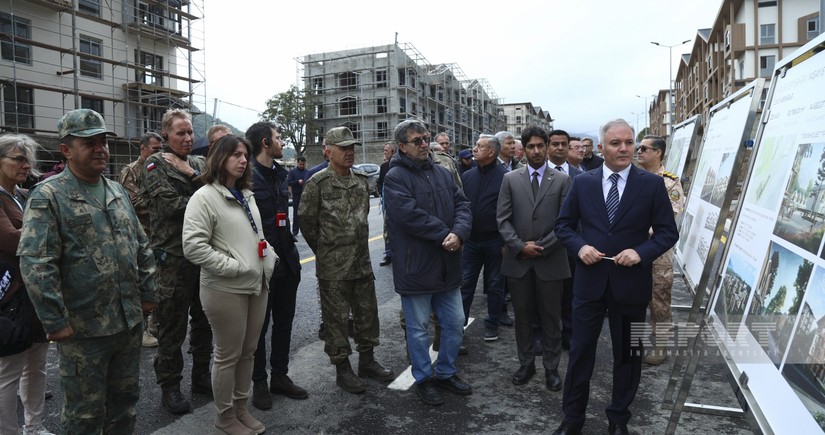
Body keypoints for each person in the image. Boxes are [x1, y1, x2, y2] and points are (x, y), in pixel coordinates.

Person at [18, 109, 157, 434]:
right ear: (66, 149)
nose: (100, 149)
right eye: (89, 142)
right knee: (84, 416)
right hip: (83, 330)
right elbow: (36, 262)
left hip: (127, 322)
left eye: (103, 142)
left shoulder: (117, 191)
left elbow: (141, 245)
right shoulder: (49, 196)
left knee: (124, 407)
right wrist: (55, 320)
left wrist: (149, 293)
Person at [552, 119, 678, 435]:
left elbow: (667, 232)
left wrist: (641, 252)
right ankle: (573, 419)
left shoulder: (651, 185)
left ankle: (618, 419)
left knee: (627, 356)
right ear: (601, 148)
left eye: (629, 142)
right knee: (581, 353)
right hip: (590, 283)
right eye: (615, 143)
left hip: (631, 285)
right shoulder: (583, 183)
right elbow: (564, 226)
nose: (624, 148)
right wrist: (580, 248)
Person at [182, 134, 276, 435]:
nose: (243, 159)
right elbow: (193, 246)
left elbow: (256, 235)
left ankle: (239, 409)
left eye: (245, 154)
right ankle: (223, 418)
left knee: (248, 352)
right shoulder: (204, 197)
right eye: (236, 154)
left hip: (256, 283)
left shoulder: (246, 194)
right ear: (219, 158)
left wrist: (268, 257)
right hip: (225, 288)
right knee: (227, 355)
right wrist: (234, 267)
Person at [383, 119, 472, 406]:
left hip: (447, 263)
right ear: (402, 147)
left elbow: (463, 205)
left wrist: (459, 232)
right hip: (416, 267)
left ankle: (446, 372)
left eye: (426, 138)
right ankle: (423, 377)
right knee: (419, 329)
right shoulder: (395, 177)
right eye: (417, 140)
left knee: (455, 323)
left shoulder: (442, 173)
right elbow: (408, 216)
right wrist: (446, 234)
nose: (424, 144)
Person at [298, 126, 393, 394]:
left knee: (367, 315)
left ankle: (367, 361)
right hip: (333, 268)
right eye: (343, 148)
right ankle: (343, 369)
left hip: (361, 263)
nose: (349, 152)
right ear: (328, 152)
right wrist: (328, 249)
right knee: (337, 321)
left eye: (352, 148)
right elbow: (306, 222)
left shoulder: (361, 180)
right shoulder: (317, 183)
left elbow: (362, 216)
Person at [143, 108, 213, 414]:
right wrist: (201, 194)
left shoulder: (197, 163)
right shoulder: (154, 163)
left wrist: (193, 177)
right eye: (180, 133)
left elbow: (217, 193)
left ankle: (201, 376)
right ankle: (170, 386)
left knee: (205, 320)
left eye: (190, 132)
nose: (187, 138)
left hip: (203, 255)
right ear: (166, 135)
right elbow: (173, 206)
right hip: (172, 258)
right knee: (172, 325)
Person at [497, 125, 571, 392]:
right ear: (523, 149)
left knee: (552, 319)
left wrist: (540, 247)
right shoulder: (510, 179)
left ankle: (552, 369)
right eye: (531, 146)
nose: (537, 151)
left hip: (550, 261)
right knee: (523, 317)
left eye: (542, 146)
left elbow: (566, 222)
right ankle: (526, 364)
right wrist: (519, 246)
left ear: (549, 146)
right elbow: (502, 219)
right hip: (518, 262)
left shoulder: (562, 180)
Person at [245, 122, 308, 410]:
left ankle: (279, 376)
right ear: (264, 143)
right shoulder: (245, 176)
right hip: (261, 263)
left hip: (287, 261)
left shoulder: (281, 174)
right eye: (278, 138)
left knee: (284, 323)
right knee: (259, 326)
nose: (282, 142)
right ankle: (259, 382)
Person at [0, 134, 54, 435]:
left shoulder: (21, 194)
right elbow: (9, 239)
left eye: (28, 159)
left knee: (37, 365)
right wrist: (42, 226)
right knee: (8, 371)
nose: (26, 164)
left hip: (35, 293)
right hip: (10, 296)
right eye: (18, 158)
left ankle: (34, 427)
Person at [635, 135, 685, 365]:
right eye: (639, 148)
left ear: (658, 153)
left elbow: (670, 216)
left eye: (644, 148)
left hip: (658, 251)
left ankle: (661, 345)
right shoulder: (632, 178)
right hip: (632, 248)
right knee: (633, 296)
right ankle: (634, 342)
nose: (639, 151)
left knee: (659, 299)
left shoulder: (670, 182)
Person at [460, 134, 507, 341]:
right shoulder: (468, 176)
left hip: (495, 241)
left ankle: (492, 323)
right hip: (470, 240)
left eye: (479, 146)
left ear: (491, 152)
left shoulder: (505, 177)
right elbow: (460, 206)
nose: (474, 149)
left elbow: (510, 212)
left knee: (496, 284)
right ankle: (458, 325)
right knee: (465, 284)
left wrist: (506, 241)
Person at [119, 131, 163, 348]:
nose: (159, 153)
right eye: (155, 149)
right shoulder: (132, 171)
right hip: (141, 235)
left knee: (161, 282)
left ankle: (156, 326)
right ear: (143, 148)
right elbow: (133, 201)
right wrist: (162, 202)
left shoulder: (161, 168)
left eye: (161, 149)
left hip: (161, 234)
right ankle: (143, 329)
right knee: (143, 281)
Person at [376, 142, 397, 267]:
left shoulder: (399, 166)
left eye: (386, 150)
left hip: (397, 203)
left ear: (393, 152)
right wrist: (380, 193)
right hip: (386, 202)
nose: (384, 152)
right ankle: (388, 254)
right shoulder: (384, 166)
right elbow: (379, 182)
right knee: (386, 229)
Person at [287, 156, 309, 236]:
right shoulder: (292, 172)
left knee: (305, 214)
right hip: (296, 195)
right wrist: (297, 182)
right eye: (300, 164)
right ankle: (295, 231)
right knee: (296, 213)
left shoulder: (307, 172)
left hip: (305, 195)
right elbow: (289, 182)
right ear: (297, 163)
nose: (302, 166)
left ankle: (305, 231)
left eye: (303, 164)